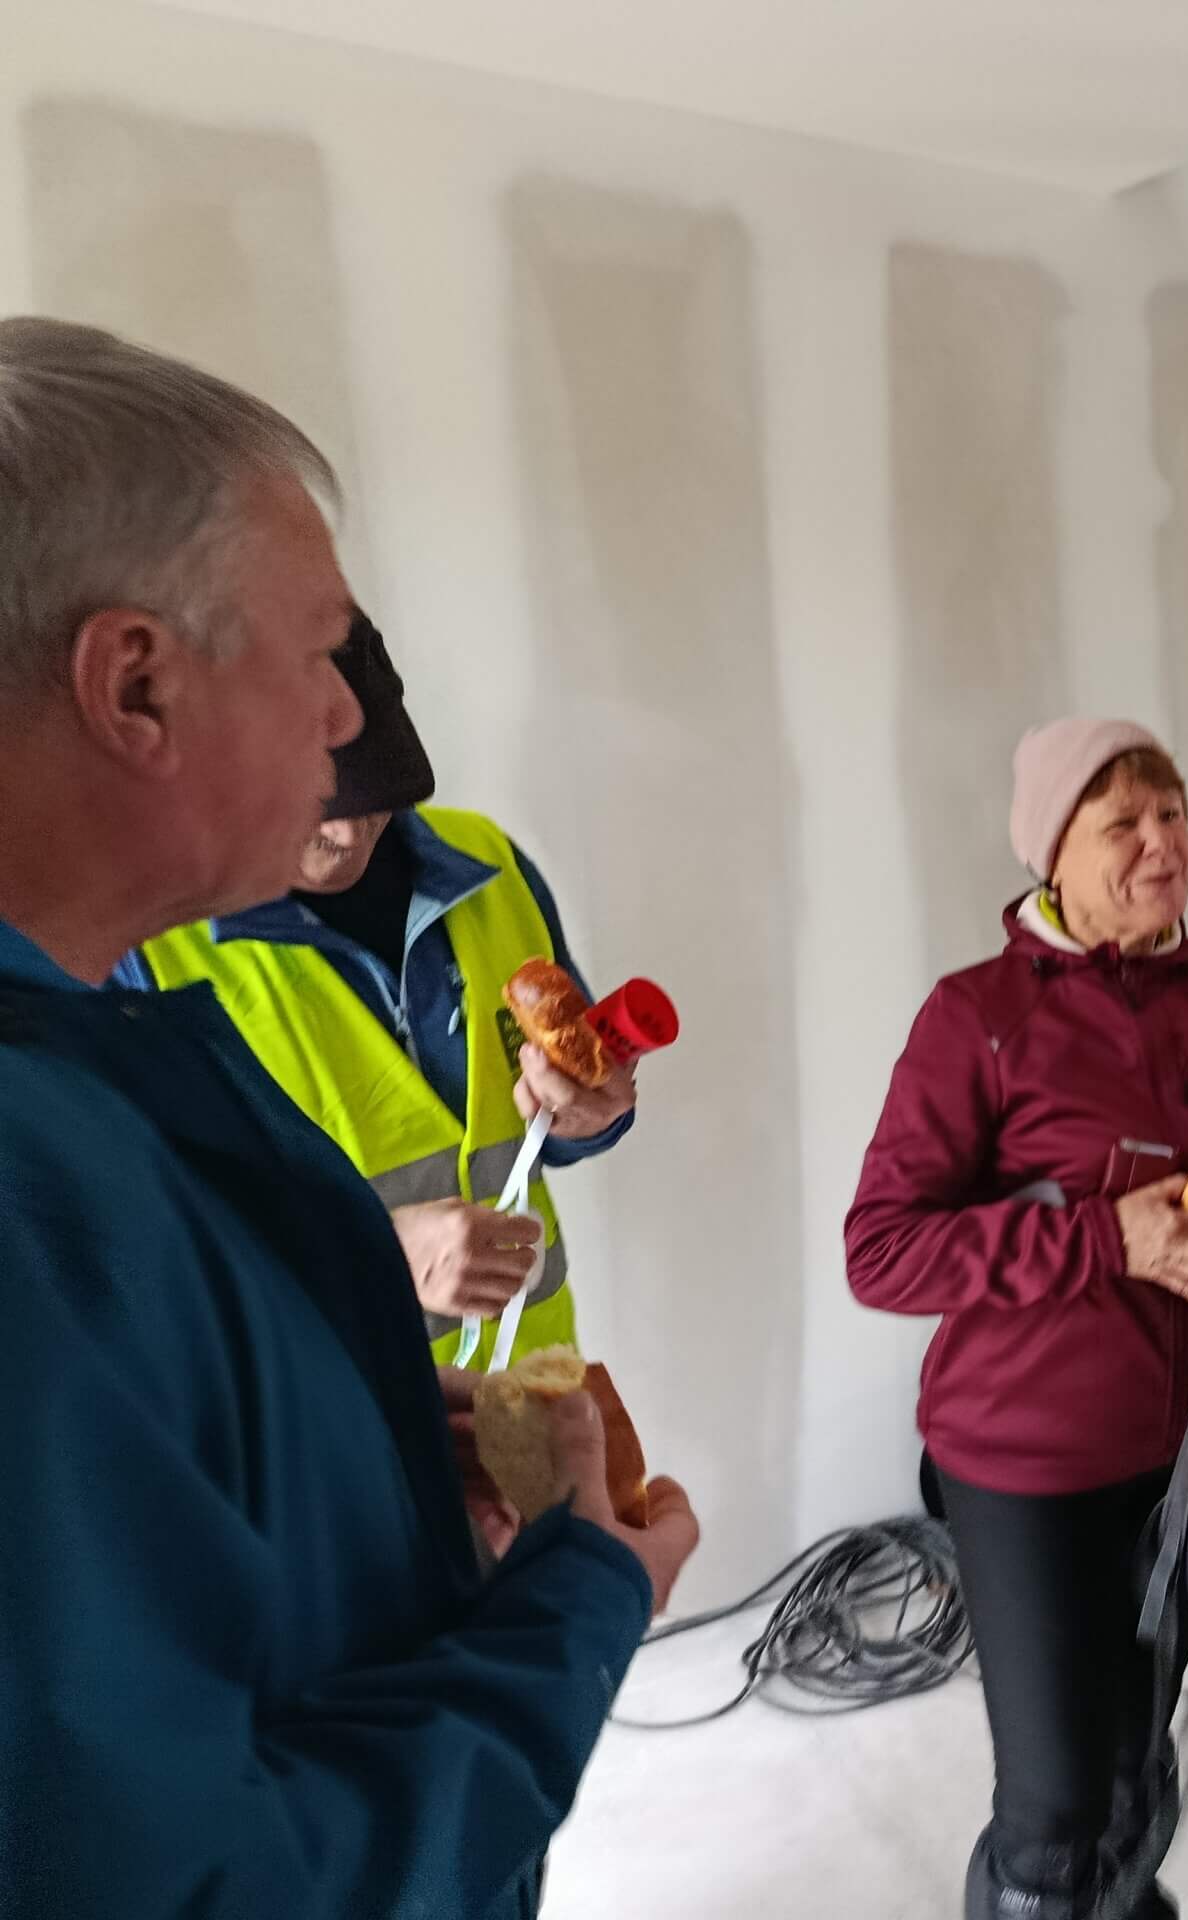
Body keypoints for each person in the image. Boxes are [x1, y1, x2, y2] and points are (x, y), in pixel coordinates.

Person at [0, 316, 698, 1916]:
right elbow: (204, 1880)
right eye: (319, 653)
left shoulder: (94, 1042)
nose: (343, 722)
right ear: (136, 682)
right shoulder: (36, 1167)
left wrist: (356, 1451)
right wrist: (584, 1603)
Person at [844, 717, 1188, 1920]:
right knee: (1052, 1810)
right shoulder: (979, 1017)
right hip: (1027, 1465)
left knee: (1134, 1768)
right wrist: (1107, 1239)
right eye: (1123, 824)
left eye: (1173, 813)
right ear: (1051, 854)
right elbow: (881, 1252)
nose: (1162, 843)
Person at [111, 611, 637, 1366]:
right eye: (317, 807)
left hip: (533, 1387)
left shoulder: (489, 862)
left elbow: (541, 1134)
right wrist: (374, 1251)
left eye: (377, 790)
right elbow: (128, 1256)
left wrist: (588, 1117)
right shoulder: (140, 949)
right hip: (327, 1418)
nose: (351, 834)